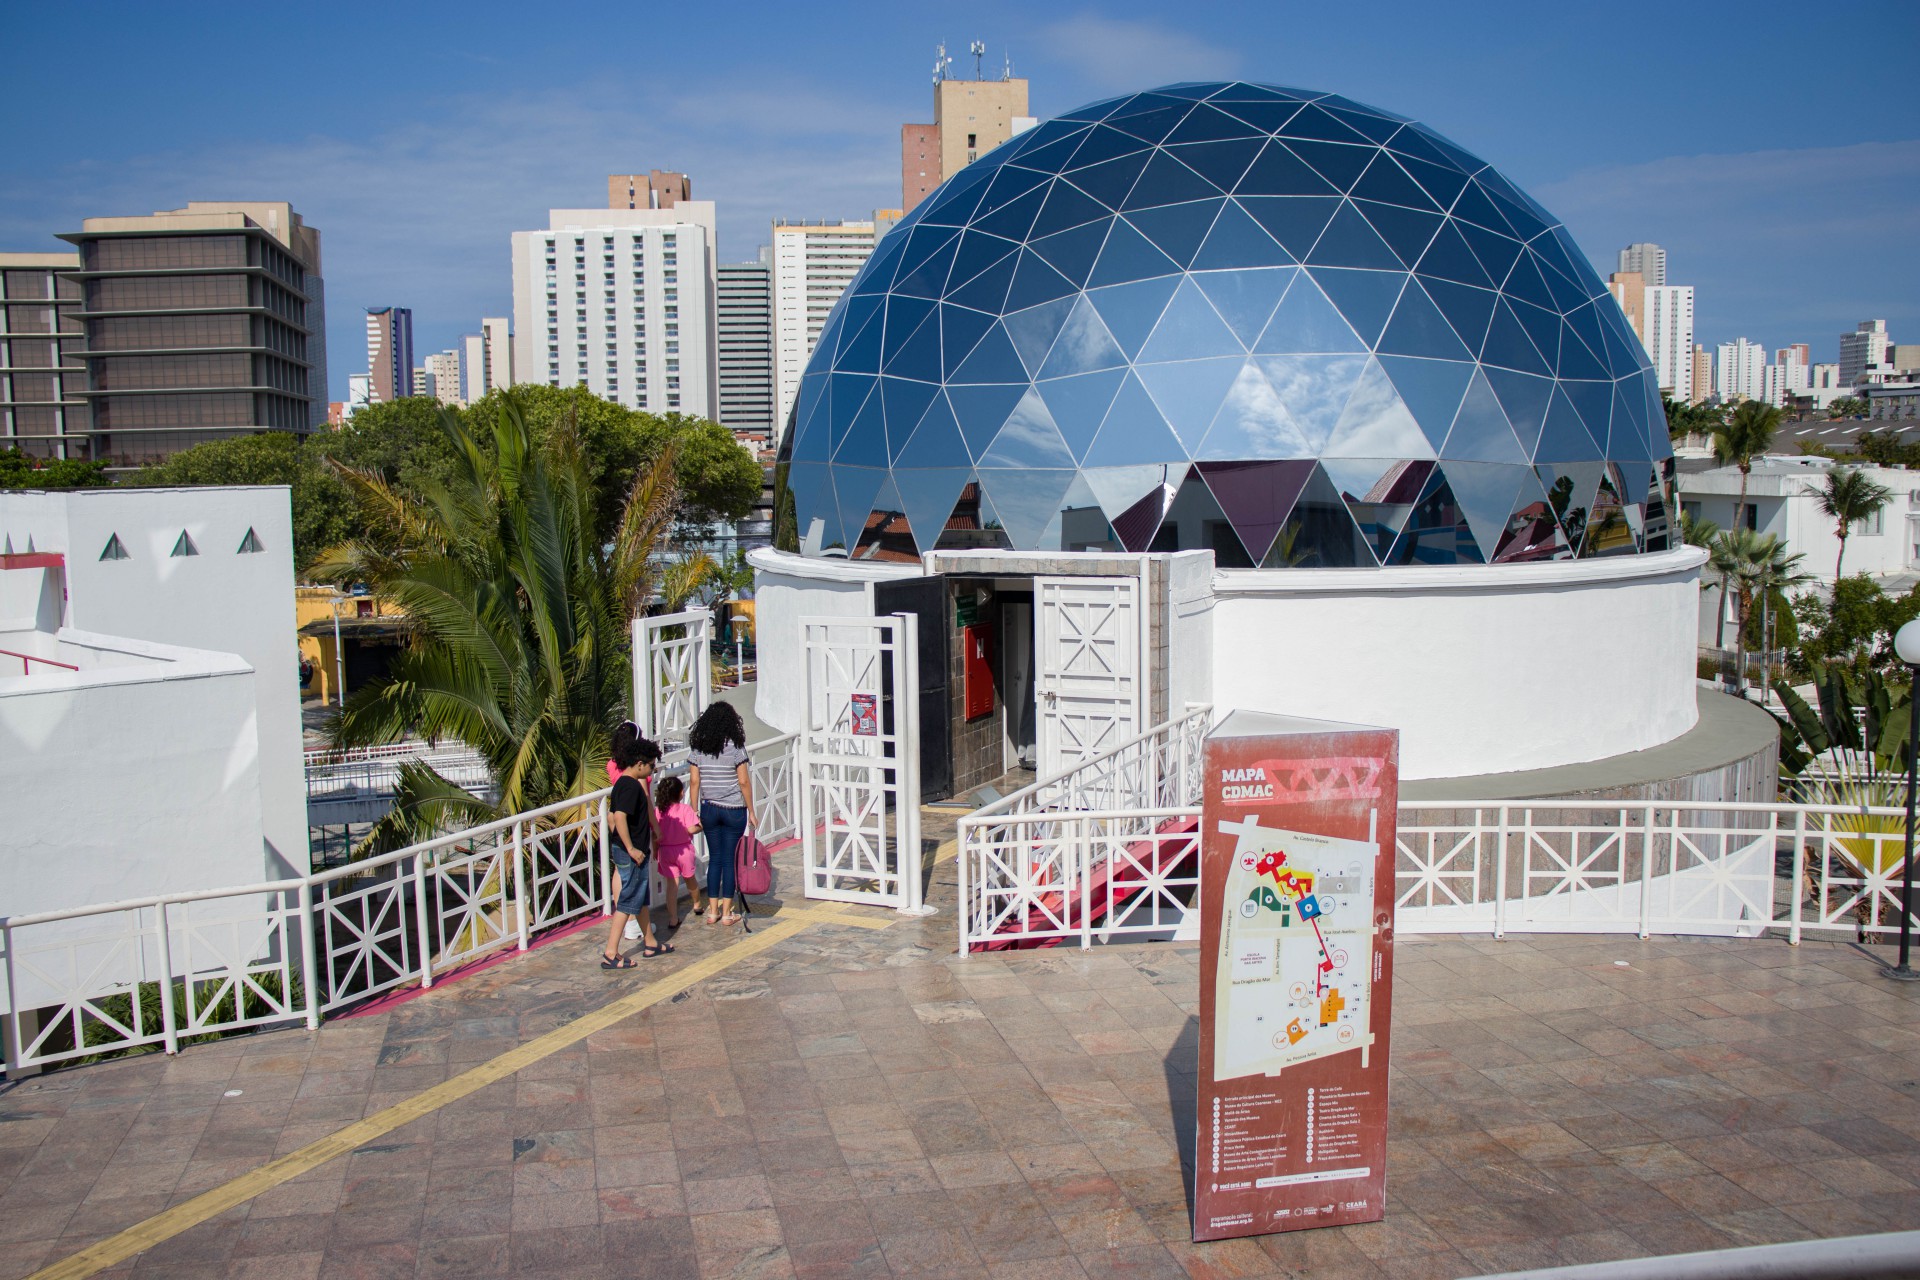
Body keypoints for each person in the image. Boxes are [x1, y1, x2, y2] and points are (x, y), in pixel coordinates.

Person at [603, 735, 671, 966]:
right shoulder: (630, 787)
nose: (652, 771)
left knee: (639, 898)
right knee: (629, 900)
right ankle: (611, 952)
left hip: (632, 850)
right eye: (651, 766)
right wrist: (631, 848)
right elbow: (619, 817)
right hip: (632, 852)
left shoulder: (624, 783)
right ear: (639, 764)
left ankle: (650, 942)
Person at [687, 700, 753, 926]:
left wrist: (694, 810)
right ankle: (727, 913)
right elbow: (743, 781)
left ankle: (712, 911)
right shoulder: (736, 746)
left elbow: (694, 781)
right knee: (729, 860)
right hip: (734, 810)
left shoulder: (698, 747)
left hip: (709, 809)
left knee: (715, 859)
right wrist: (752, 810)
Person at [607, 721, 647, 941]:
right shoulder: (636, 768)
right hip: (631, 821)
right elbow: (645, 796)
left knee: (620, 871)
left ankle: (629, 921)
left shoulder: (612, 764)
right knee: (635, 877)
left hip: (613, 816)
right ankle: (631, 922)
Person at [652, 775, 703, 929]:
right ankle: (697, 904)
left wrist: (655, 850)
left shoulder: (658, 811)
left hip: (665, 851)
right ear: (680, 793)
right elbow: (691, 829)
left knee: (671, 886)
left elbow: (654, 834)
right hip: (684, 850)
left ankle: (673, 918)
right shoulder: (685, 809)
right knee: (690, 879)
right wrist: (701, 825)